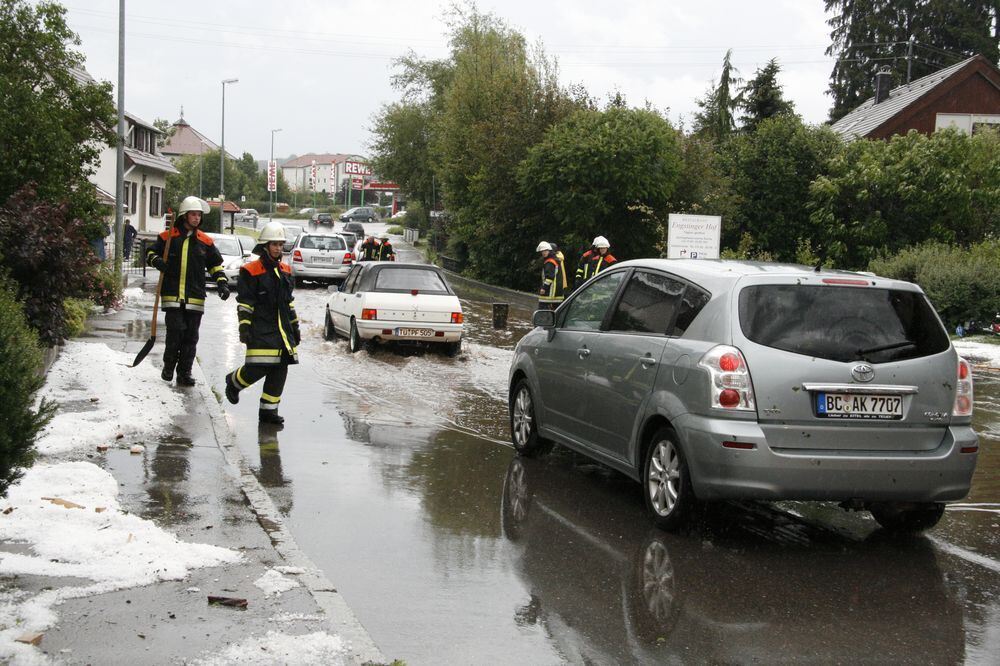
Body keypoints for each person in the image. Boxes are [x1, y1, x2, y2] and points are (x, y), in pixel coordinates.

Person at [146, 196, 229, 386]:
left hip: (195, 298)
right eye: (193, 214)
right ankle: (168, 367)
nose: (196, 218)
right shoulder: (168, 237)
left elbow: (215, 265)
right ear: (184, 215)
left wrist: (222, 283)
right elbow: (150, 253)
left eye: (199, 215)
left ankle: (185, 373)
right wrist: (156, 261)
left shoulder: (205, 242)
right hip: (172, 296)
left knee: (191, 338)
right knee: (175, 333)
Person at [224, 221, 300, 425]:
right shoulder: (250, 270)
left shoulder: (285, 270)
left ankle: (268, 412)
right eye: (274, 244)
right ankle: (233, 382)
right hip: (260, 328)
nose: (277, 248)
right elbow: (245, 302)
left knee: (279, 371)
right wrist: (244, 327)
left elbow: (288, 303)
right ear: (265, 246)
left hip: (282, 331)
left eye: (280, 244)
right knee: (258, 367)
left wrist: (295, 327)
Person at [537, 241, 567, 310]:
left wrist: (544, 288)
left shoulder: (550, 262)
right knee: (556, 313)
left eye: (545, 251)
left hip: (549, 293)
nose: (543, 253)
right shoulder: (556, 260)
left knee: (542, 312)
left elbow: (549, 277)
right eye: (542, 251)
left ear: (550, 251)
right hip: (558, 293)